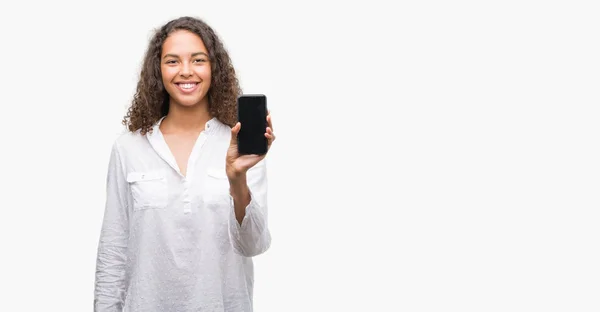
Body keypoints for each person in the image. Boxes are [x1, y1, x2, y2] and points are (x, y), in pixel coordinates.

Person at [94, 16, 275, 312]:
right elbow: (113, 250)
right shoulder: (128, 147)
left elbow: (253, 245)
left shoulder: (240, 147)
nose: (186, 71)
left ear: (214, 68)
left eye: (198, 60)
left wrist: (237, 179)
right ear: (158, 70)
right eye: (173, 61)